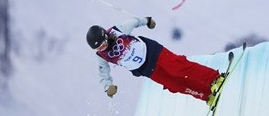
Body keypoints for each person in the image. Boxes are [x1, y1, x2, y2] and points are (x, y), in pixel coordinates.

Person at [86, 17, 225, 107]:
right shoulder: (101, 55)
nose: (103, 48)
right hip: (146, 69)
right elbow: (103, 74)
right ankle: (207, 94)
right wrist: (107, 87)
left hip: (154, 52)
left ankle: (214, 79)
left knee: (179, 68)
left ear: (105, 35)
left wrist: (147, 21)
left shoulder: (117, 31)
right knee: (174, 84)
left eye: (103, 44)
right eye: (99, 48)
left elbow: (134, 21)